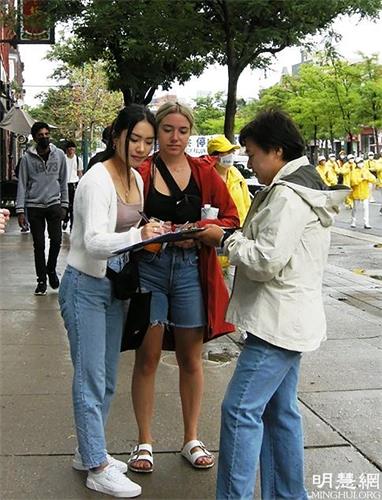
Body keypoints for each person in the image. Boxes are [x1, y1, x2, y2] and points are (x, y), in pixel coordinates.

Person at [195, 109, 349, 500]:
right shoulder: (301, 188)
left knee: (239, 411)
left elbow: (265, 260)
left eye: (252, 153)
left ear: (276, 151)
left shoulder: (287, 195)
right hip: (289, 320)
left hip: (276, 324)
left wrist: (224, 240)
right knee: (278, 414)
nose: (247, 161)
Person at [128, 102, 239, 473]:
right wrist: (144, 231)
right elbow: (123, 219)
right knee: (149, 356)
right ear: (156, 132)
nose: (175, 137)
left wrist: (210, 231)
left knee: (191, 358)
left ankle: (191, 437)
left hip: (192, 270)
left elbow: (230, 217)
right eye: (168, 130)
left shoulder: (204, 172)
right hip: (151, 269)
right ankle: (144, 442)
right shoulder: (141, 172)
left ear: (191, 133)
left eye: (183, 130)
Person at [59, 105, 162, 498]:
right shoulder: (95, 179)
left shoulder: (136, 177)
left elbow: (130, 228)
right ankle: (98, 467)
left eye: (147, 141)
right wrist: (139, 237)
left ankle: (88, 452)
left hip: (113, 288)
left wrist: (151, 234)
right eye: (134, 138)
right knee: (90, 379)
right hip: (84, 286)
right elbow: (92, 242)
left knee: (107, 379)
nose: (140, 147)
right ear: (116, 135)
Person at [16, 122, 68, 295]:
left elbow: (63, 182)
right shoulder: (26, 159)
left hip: (54, 205)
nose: (45, 137)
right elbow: (22, 184)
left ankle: (51, 269)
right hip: (34, 206)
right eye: (41, 135)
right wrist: (20, 210)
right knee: (39, 245)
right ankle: (41, 281)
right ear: (34, 137)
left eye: (47, 134)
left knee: (56, 240)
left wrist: (65, 205)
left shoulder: (59, 155)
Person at [207, 135, 251, 276]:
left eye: (230, 152)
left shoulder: (237, 175)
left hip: (238, 240)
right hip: (215, 244)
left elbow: (247, 204)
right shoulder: (206, 177)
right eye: (224, 152)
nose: (229, 156)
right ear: (214, 155)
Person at [349, 156, 376, 229]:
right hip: (357, 192)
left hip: (365, 192)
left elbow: (373, 179)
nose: (360, 164)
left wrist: (367, 178)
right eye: (359, 162)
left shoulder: (365, 170)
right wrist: (361, 179)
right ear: (356, 164)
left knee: (366, 208)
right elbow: (353, 182)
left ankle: (366, 223)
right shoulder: (353, 172)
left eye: (361, 162)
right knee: (355, 208)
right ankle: (353, 221)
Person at [62, 140, 83, 231]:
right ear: (66, 150)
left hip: (74, 184)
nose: (71, 151)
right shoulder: (63, 159)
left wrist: (81, 184)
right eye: (69, 149)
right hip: (64, 184)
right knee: (65, 205)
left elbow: (80, 172)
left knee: (74, 206)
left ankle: (72, 225)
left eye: (73, 149)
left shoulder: (78, 159)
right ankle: (65, 219)